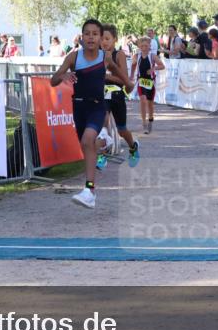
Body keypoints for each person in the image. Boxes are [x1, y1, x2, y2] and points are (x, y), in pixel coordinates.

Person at [50, 19, 134, 209]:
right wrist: (63, 76)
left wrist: (127, 83)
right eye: (87, 33)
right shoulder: (73, 57)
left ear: (100, 37)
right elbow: (53, 81)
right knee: (88, 145)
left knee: (87, 141)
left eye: (95, 34)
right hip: (79, 108)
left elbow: (116, 70)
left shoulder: (105, 57)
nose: (91, 37)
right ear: (82, 37)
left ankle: (89, 191)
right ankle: (105, 142)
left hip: (98, 106)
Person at [100, 24, 141, 169]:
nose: (104, 42)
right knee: (102, 122)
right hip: (102, 94)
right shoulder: (97, 55)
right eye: (101, 38)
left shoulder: (119, 55)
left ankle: (133, 146)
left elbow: (124, 80)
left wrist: (105, 75)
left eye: (107, 38)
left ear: (115, 40)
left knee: (121, 130)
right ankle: (102, 154)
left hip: (117, 94)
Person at [132, 35, 165, 134]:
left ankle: (150, 119)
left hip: (150, 82)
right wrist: (130, 76)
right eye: (142, 46)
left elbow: (162, 66)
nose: (144, 48)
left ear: (149, 46)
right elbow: (133, 65)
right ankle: (144, 123)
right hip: (141, 81)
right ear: (139, 47)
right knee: (142, 100)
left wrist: (153, 69)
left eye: (146, 46)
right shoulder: (136, 56)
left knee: (150, 103)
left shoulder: (152, 56)